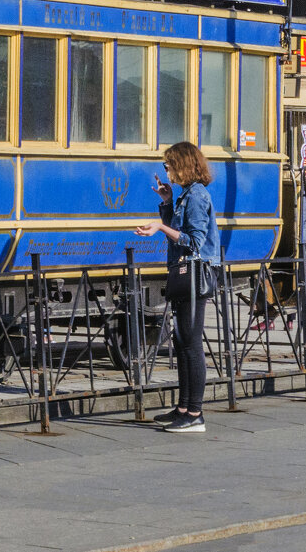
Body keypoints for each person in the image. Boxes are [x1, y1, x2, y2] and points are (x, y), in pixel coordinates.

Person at [134, 141, 221, 434]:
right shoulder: (186, 195)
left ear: (182, 164)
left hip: (195, 275)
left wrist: (159, 226)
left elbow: (193, 242)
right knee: (183, 341)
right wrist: (167, 202)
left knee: (191, 343)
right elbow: (179, 233)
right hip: (185, 274)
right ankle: (183, 408)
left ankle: (195, 413)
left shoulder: (197, 196)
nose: (166, 169)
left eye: (169, 164)